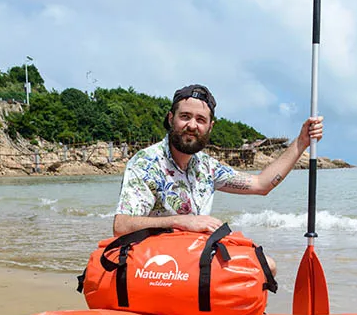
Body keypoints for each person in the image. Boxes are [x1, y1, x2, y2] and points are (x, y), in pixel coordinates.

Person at [113, 84, 324, 276]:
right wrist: (181, 221)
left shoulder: (206, 166)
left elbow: (261, 184)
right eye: (185, 116)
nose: (192, 125)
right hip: (155, 264)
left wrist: (302, 142)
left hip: (193, 254)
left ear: (210, 127)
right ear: (170, 119)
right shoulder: (146, 163)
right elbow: (121, 226)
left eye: (200, 120)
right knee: (262, 267)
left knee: (265, 266)